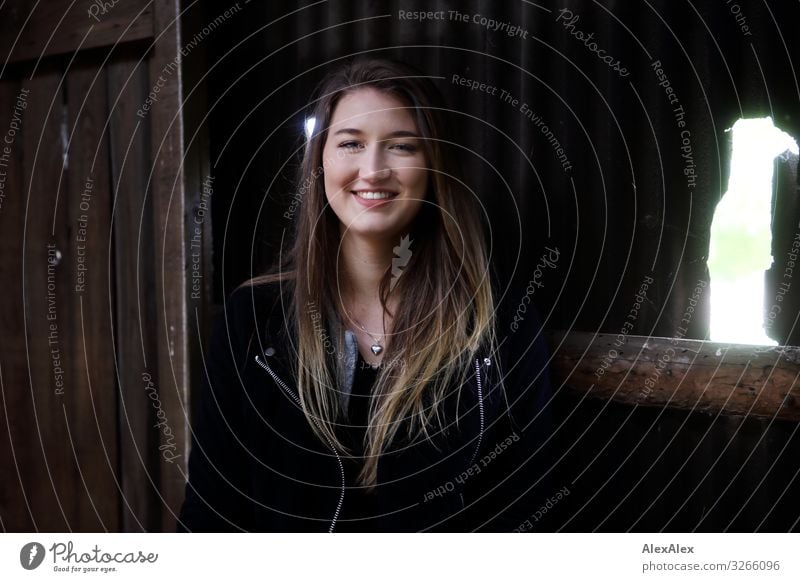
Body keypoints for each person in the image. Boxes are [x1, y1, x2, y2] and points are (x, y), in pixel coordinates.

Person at [177, 57, 555, 532]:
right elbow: (211, 510)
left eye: (401, 146)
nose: (372, 170)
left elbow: (528, 510)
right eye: (351, 144)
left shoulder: (496, 322)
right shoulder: (253, 318)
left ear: (434, 165)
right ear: (321, 162)